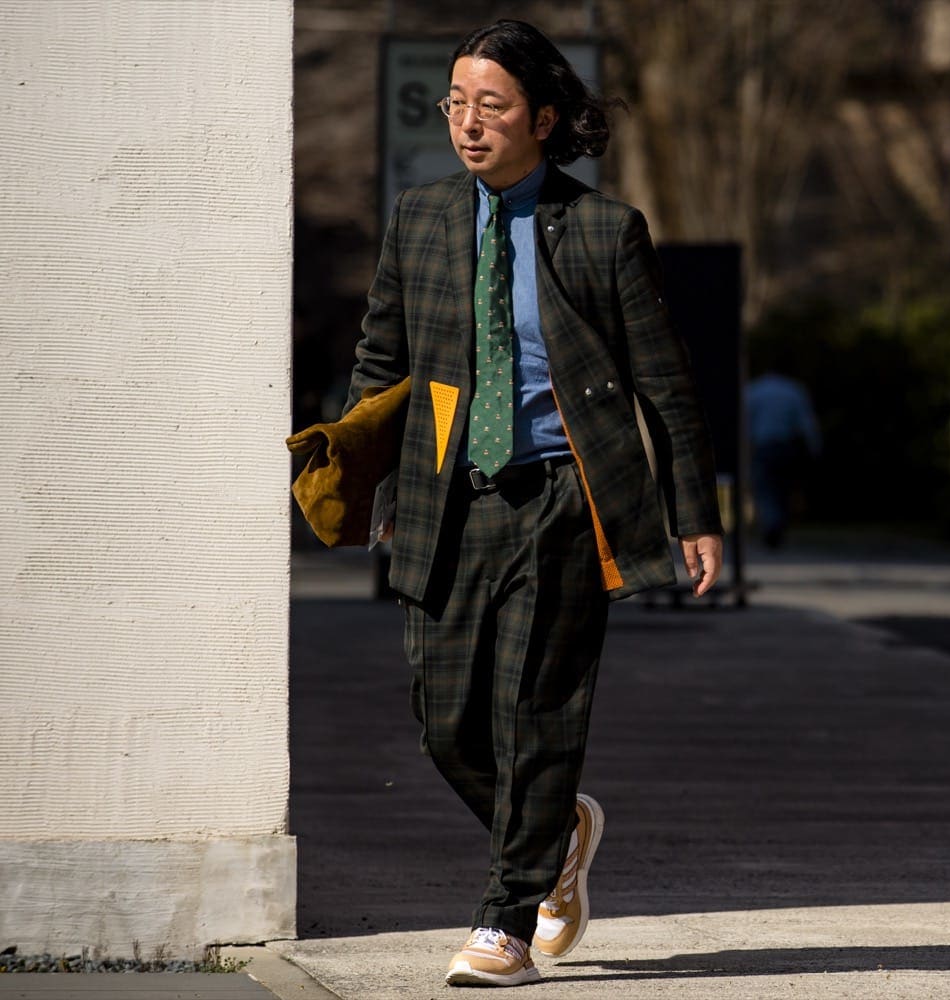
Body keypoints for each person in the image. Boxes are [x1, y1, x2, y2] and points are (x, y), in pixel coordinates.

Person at [343, 19, 723, 988]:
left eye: (492, 105)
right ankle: (558, 837)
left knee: (540, 709)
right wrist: (366, 478)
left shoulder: (604, 230)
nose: (468, 123)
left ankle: (504, 920)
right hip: (446, 495)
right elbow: (381, 364)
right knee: (444, 716)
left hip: (563, 497)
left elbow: (665, 385)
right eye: (456, 103)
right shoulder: (420, 218)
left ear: (543, 118)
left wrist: (694, 512)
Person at [745, 369, 821, 548]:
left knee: (765, 488)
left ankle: (772, 522)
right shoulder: (793, 390)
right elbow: (806, 423)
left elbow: (745, 424)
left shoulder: (754, 390)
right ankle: (777, 523)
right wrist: (815, 447)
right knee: (782, 489)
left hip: (763, 446)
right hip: (786, 446)